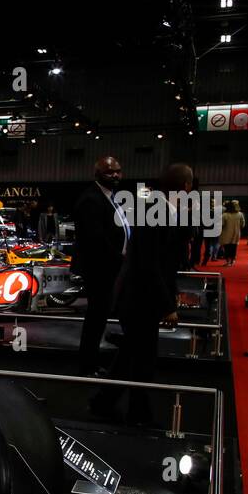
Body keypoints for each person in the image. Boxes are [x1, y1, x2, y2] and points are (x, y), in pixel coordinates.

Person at [91, 163, 191, 424]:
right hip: (138, 298)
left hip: (140, 296)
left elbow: (163, 264)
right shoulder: (156, 212)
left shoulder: (159, 210)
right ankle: (138, 413)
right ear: (187, 187)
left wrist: (171, 295)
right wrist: (167, 304)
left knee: (132, 355)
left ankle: (105, 401)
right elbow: (148, 264)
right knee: (142, 360)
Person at [71, 156, 129, 375]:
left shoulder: (110, 197)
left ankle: (95, 361)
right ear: (98, 175)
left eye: (118, 171)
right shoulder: (91, 200)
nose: (115, 175)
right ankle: (87, 366)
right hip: (100, 269)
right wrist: (120, 259)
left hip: (112, 267)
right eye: (109, 172)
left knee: (101, 316)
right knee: (96, 318)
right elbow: (96, 241)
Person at [218, 200, 243, 266]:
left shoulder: (225, 215)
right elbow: (243, 224)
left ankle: (228, 261)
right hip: (236, 233)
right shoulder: (240, 214)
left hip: (226, 234)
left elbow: (221, 224)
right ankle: (232, 260)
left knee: (227, 248)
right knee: (234, 247)